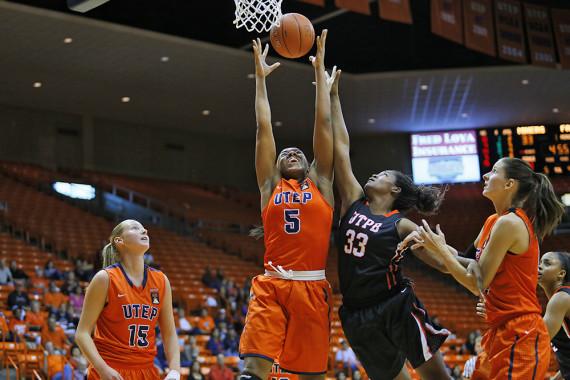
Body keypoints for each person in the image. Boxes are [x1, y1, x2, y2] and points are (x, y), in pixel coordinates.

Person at [328, 63, 451, 380]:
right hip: (356, 313)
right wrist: (333, 96)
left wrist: (474, 267)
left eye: (382, 174)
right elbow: (341, 149)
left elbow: (442, 262)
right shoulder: (354, 201)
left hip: (395, 305)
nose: (373, 174)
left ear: (394, 189)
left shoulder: (402, 226)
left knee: (439, 379)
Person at [409, 158, 565, 379]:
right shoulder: (493, 221)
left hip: (521, 331)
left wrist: (441, 250)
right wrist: (437, 246)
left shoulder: (510, 223)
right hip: (499, 330)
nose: (485, 176)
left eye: (493, 171)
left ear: (509, 184)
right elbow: (465, 262)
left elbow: (476, 283)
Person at [238, 31, 335, 380]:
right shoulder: (270, 186)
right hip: (273, 283)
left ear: (309, 164)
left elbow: (324, 125)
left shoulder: (322, 183)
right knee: (253, 369)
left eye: (297, 152)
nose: (291, 152)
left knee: (310, 376)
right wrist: (260, 82)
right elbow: (264, 127)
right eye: (285, 153)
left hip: (312, 286)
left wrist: (319, 75)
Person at [74, 219, 180, 379]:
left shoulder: (161, 280)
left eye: (144, 228)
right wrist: (102, 369)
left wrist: (175, 370)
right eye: (135, 228)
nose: (144, 231)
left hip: (147, 371)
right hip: (111, 370)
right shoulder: (105, 278)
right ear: (119, 241)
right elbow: (82, 333)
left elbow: (169, 333)